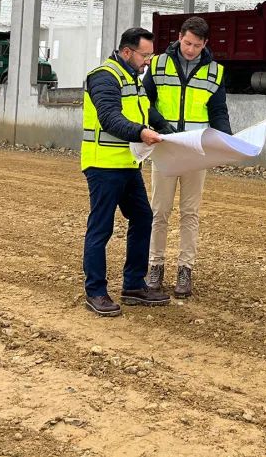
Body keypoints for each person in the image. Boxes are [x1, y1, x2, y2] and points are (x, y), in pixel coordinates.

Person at [80, 27, 173, 317]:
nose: (148, 61)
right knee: (101, 227)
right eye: (144, 55)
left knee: (143, 217)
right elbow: (110, 118)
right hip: (103, 166)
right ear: (127, 52)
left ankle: (133, 284)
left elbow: (147, 111)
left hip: (128, 165)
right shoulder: (103, 77)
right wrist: (141, 132)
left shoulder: (132, 78)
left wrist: (172, 131)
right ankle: (95, 291)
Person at [142, 16, 232, 298]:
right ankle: (155, 266)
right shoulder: (157, 64)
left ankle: (185, 269)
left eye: (196, 45)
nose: (190, 49)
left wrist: (225, 141)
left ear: (205, 44)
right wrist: (159, 125)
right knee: (160, 211)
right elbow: (144, 101)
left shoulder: (215, 72)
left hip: (195, 150)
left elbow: (218, 111)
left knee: (190, 213)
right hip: (165, 146)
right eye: (186, 42)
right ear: (179, 37)